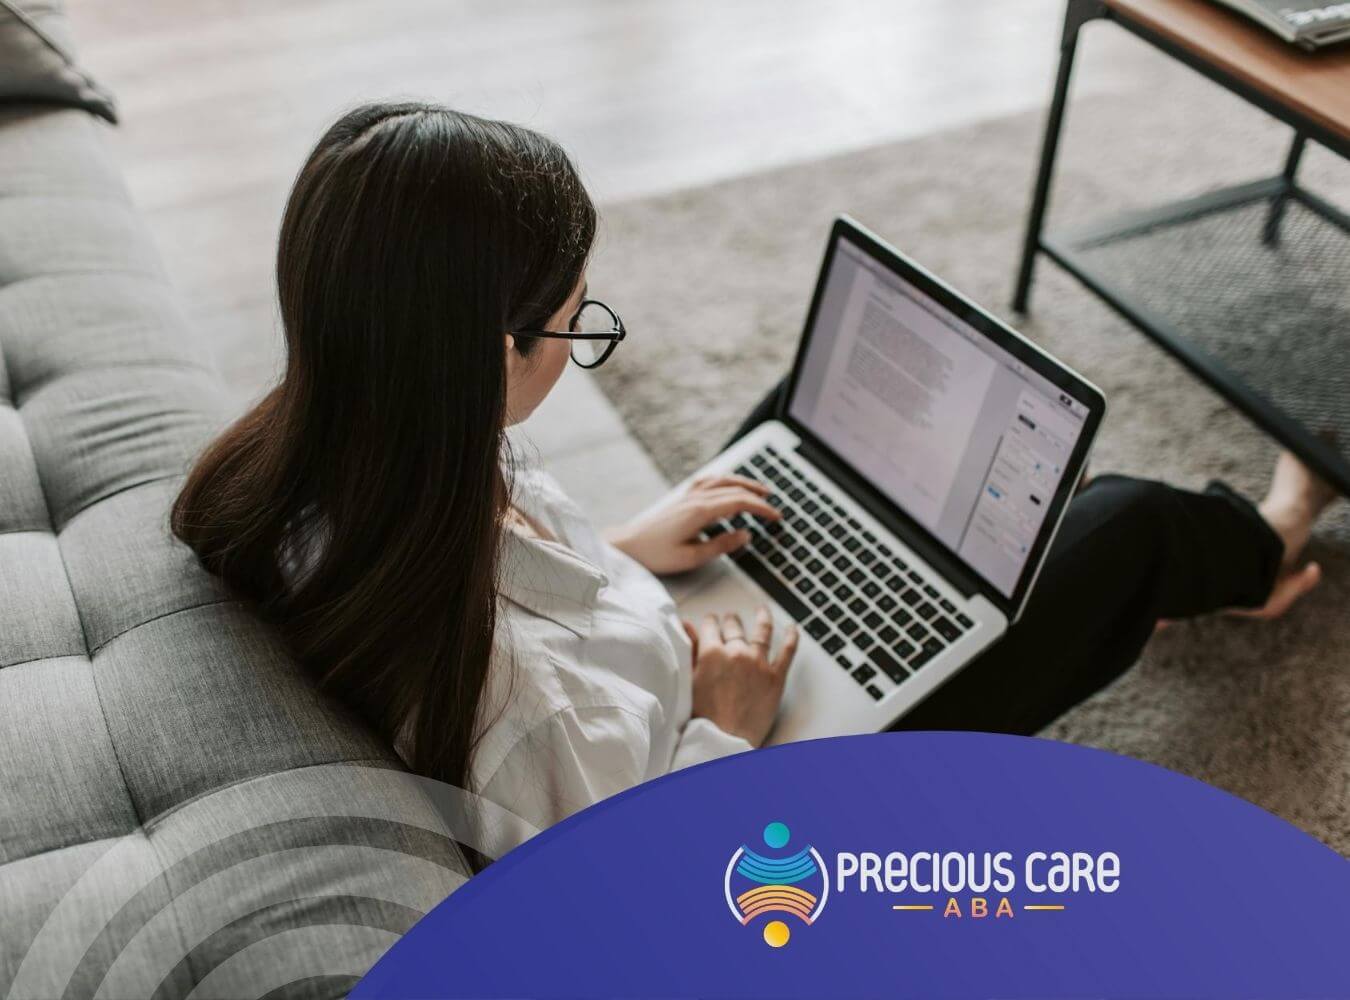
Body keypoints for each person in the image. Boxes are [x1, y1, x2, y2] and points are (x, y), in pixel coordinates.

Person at [171, 102, 1337, 858]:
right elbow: (649, 892)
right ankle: (1272, 537)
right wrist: (728, 733)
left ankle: (1025, 561)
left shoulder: (340, 459)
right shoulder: (527, 718)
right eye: (577, 324)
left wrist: (622, 548)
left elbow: (496, 588)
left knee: (804, 428)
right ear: (489, 354)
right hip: (765, 777)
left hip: (658, 642)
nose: (582, 338)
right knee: (1124, 524)